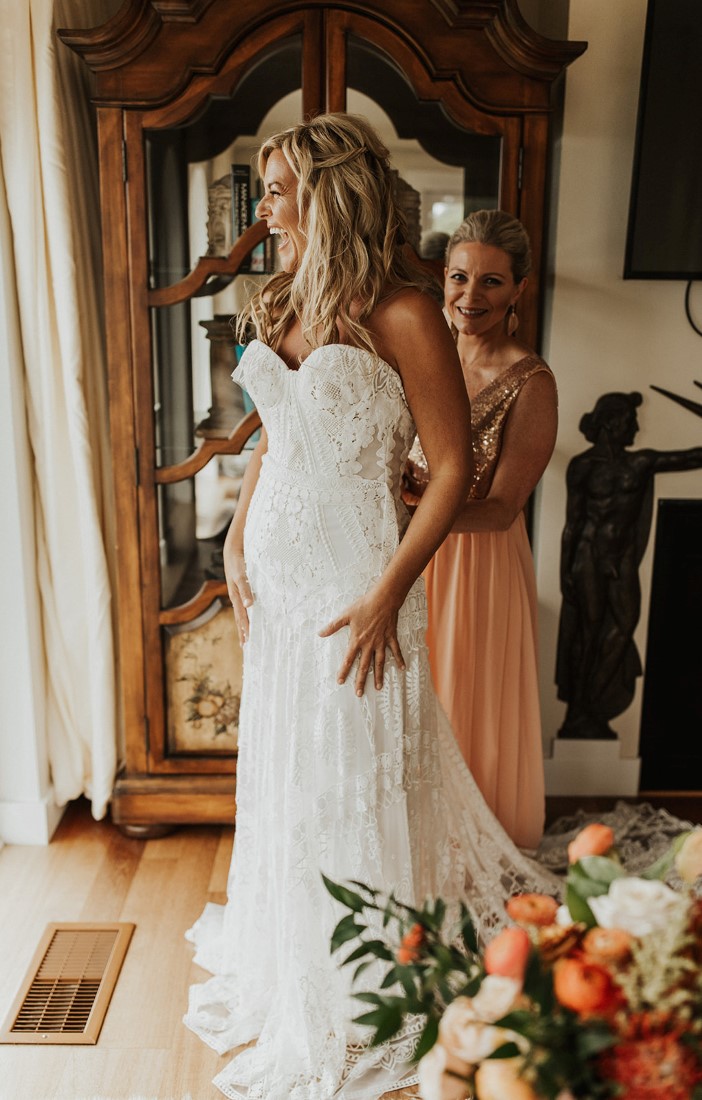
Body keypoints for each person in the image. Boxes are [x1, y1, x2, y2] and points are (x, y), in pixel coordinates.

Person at [183, 114, 558, 1100]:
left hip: (360, 578)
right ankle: (297, 950)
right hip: (282, 578)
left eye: (275, 189)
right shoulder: (283, 299)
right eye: (262, 189)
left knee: (358, 768)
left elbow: (451, 472)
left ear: (325, 191)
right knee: (295, 771)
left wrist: (390, 591)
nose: (261, 208)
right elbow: (275, 439)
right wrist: (235, 538)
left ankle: (369, 983)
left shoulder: (404, 309)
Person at [404, 211, 558, 852]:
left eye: (491, 282)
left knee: (464, 710)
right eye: (460, 277)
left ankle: (473, 858)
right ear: (443, 278)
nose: (471, 297)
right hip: (404, 554)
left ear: (519, 288)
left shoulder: (532, 382)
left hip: (475, 566)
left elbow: (501, 509)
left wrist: (416, 514)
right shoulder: (413, 350)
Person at [556, 390, 702, 740]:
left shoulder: (640, 463)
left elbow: (693, 456)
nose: (636, 429)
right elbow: (572, 524)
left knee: (623, 628)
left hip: (620, 562)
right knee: (588, 634)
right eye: (631, 423)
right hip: (588, 558)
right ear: (612, 423)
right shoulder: (582, 467)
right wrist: (566, 574)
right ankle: (580, 711)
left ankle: (594, 700)